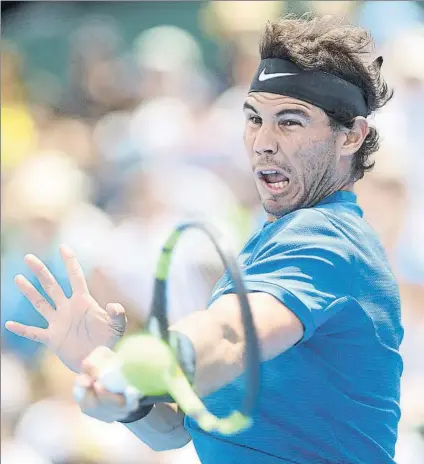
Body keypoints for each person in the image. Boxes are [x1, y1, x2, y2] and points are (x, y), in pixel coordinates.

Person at [5, 15, 403, 464]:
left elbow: (232, 337)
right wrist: (110, 368)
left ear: (351, 135)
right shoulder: (271, 244)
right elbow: (174, 432)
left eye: (290, 122)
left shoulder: (328, 237)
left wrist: (130, 370)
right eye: (254, 118)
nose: (262, 143)